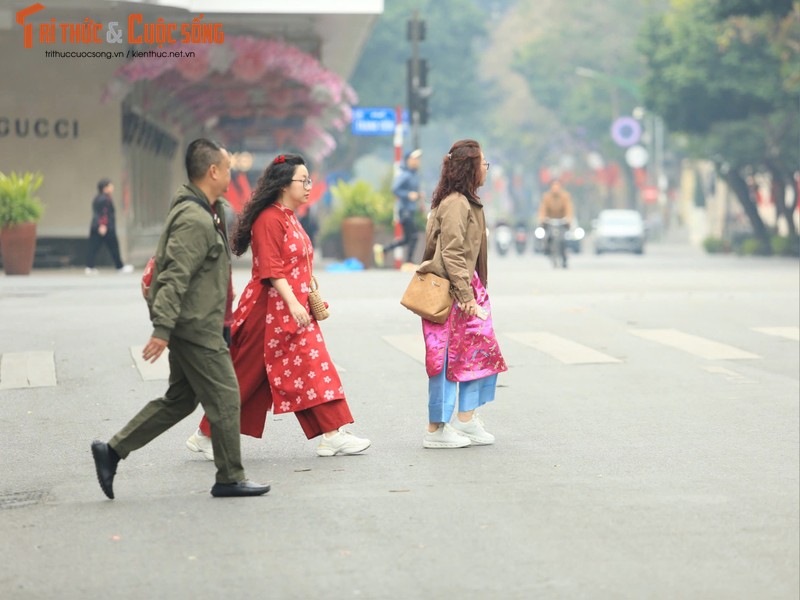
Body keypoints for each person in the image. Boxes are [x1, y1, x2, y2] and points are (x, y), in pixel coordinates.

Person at [90, 139, 270, 499]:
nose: (232, 173)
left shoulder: (208, 209)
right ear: (212, 171)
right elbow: (174, 275)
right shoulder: (193, 218)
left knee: (180, 400)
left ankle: (111, 451)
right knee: (226, 396)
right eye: (228, 167)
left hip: (200, 323)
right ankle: (230, 477)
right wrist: (162, 330)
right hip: (196, 327)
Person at [185, 153, 370, 459]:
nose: (309, 186)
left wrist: (307, 289)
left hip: (290, 310)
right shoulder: (269, 219)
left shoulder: (287, 216)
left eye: (309, 180)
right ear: (284, 185)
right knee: (252, 376)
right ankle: (207, 433)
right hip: (267, 312)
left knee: (309, 368)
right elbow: (271, 270)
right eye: (303, 180)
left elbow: (296, 260)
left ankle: (332, 433)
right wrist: (294, 302)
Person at [415, 139, 507, 449]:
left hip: (467, 288)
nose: (485, 169)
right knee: (443, 358)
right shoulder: (456, 202)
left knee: (478, 351)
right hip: (451, 291)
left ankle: (465, 420)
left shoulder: (465, 200)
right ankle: (436, 428)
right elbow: (452, 252)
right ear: (470, 167)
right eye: (483, 164)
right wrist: (465, 296)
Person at [373, 149, 422, 267]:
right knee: (414, 236)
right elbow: (395, 189)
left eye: (417, 159)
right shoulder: (405, 174)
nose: (417, 161)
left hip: (410, 210)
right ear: (408, 160)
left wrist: (418, 196)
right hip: (404, 210)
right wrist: (408, 194)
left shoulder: (413, 175)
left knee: (407, 239)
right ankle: (409, 262)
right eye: (414, 159)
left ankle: (383, 250)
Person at [85, 178, 133, 275]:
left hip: (99, 227)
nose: (112, 187)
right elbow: (104, 213)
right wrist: (103, 225)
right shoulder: (104, 199)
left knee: (94, 247)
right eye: (110, 186)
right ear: (105, 188)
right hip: (105, 228)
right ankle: (119, 266)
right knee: (113, 247)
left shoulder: (98, 198)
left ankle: (90, 266)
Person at [537, 179, 574, 266]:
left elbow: (569, 209)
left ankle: (564, 257)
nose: (555, 189)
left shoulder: (565, 196)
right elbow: (543, 209)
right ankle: (547, 250)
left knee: (563, 239)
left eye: (557, 186)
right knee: (547, 236)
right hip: (550, 221)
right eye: (553, 186)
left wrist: (568, 219)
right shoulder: (546, 197)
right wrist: (542, 219)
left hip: (561, 221)